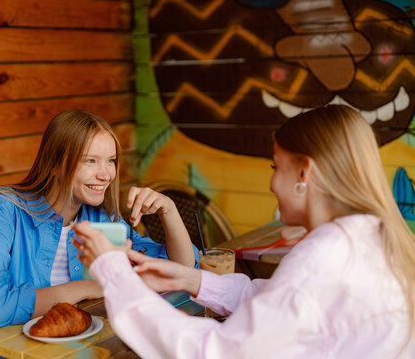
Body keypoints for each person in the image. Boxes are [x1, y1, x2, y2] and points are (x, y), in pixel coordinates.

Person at [74, 105, 415, 358]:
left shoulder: (325, 258)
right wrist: (191, 280)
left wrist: (113, 271)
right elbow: (281, 306)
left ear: (303, 174)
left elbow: (212, 351)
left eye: (275, 167)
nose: (270, 183)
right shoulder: (369, 238)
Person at [0, 109, 198, 358]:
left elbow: (180, 270)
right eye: (90, 160)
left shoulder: (101, 219)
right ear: (54, 164)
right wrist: (87, 287)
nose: (106, 174)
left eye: (111, 160)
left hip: (50, 349)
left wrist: (169, 212)